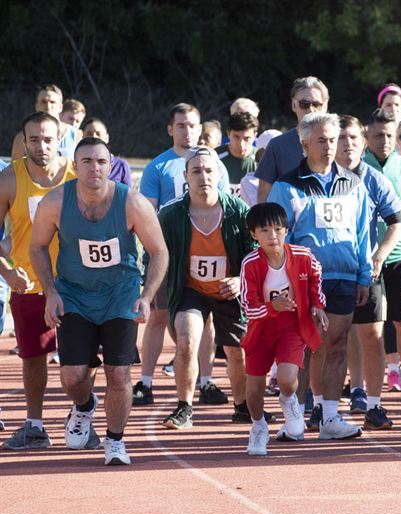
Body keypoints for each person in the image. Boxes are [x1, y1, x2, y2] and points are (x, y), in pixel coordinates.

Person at [28, 137, 169, 465]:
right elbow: (37, 247)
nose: (95, 168)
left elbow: (159, 250)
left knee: (118, 374)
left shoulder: (131, 203)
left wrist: (147, 296)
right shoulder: (55, 202)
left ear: (111, 166)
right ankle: (84, 407)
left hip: (120, 295)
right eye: (87, 161)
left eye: (101, 162)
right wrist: (50, 292)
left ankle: (115, 441)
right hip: (74, 294)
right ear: (75, 167)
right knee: (73, 377)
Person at [267, 112, 374, 440]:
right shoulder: (287, 186)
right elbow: (275, 238)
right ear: (304, 144)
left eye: (335, 139)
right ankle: (295, 419)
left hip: (344, 275)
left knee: (337, 344)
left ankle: (329, 417)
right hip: (303, 280)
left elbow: (362, 232)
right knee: (304, 347)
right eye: (322, 141)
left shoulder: (353, 183)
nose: (330, 147)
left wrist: (364, 275)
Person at [134, 102, 230, 409]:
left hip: (206, 253)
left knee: (207, 317)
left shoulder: (215, 163)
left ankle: (206, 381)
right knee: (158, 316)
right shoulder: (158, 167)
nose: (187, 131)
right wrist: (152, 255)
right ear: (170, 129)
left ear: (200, 128)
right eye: (181, 126)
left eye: (192, 125)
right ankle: (145, 382)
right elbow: (146, 214)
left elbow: (224, 205)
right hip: (169, 254)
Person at [157, 146, 256, 429]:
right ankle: (184, 408)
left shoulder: (238, 211)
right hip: (191, 290)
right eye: (196, 171)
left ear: (219, 174)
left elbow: (255, 251)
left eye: (209, 170)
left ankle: (242, 406)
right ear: (186, 177)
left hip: (229, 291)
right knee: (187, 341)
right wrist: (149, 290)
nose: (203, 177)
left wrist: (240, 280)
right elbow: (154, 250)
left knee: (238, 351)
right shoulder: (171, 214)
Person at [0, 112, 77, 450]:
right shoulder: (9, 179)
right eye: (34, 139)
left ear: (59, 138)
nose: (41, 146)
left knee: (81, 358)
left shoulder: (77, 176)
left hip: (77, 283)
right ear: (23, 141)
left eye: (47, 139)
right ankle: (34, 426)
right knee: (33, 358)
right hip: (29, 283)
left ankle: (81, 418)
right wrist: (5, 271)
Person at [239, 202, 329, 454]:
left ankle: (290, 402)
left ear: (286, 230)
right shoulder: (250, 264)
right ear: (254, 234)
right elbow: (248, 307)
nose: (272, 236)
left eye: (278, 229)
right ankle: (258, 427)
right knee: (254, 387)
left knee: (288, 379)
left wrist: (316, 304)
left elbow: (315, 274)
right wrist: (272, 307)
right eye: (265, 231)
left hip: (292, 325)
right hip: (261, 329)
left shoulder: (302, 255)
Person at [335, 114, 401, 429]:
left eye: (352, 138)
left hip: (365, 271)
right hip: (329, 272)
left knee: (373, 336)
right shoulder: (318, 178)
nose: (347, 144)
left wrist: (379, 256)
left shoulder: (374, 179)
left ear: (362, 142)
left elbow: (397, 221)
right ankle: (323, 406)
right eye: (340, 138)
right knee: (328, 339)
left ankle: (374, 406)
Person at [364, 109, 401, 402]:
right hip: (367, 255)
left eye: (389, 136)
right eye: (378, 135)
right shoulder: (357, 167)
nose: (384, 141)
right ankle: (364, 382)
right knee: (369, 324)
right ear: (367, 136)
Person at [256, 76, 329, 203]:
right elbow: (263, 196)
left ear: (325, 105)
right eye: (304, 104)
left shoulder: (340, 142)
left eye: (316, 104)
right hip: (289, 220)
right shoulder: (277, 146)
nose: (311, 110)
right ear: (294, 105)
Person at [10, 85, 81, 161]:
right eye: (43, 102)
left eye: (52, 102)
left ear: (60, 107)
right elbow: (15, 170)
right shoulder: (22, 137)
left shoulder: (76, 135)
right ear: (36, 105)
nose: (48, 106)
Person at [80, 118, 132, 186]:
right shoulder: (77, 166)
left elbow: (129, 194)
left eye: (98, 133)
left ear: (106, 138)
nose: (93, 137)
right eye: (89, 134)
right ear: (82, 137)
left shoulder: (121, 166)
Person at [219, 111, 259, 197]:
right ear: (228, 134)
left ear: (255, 135)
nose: (241, 144)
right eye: (236, 137)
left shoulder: (262, 159)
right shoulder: (214, 158)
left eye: (247, 138)